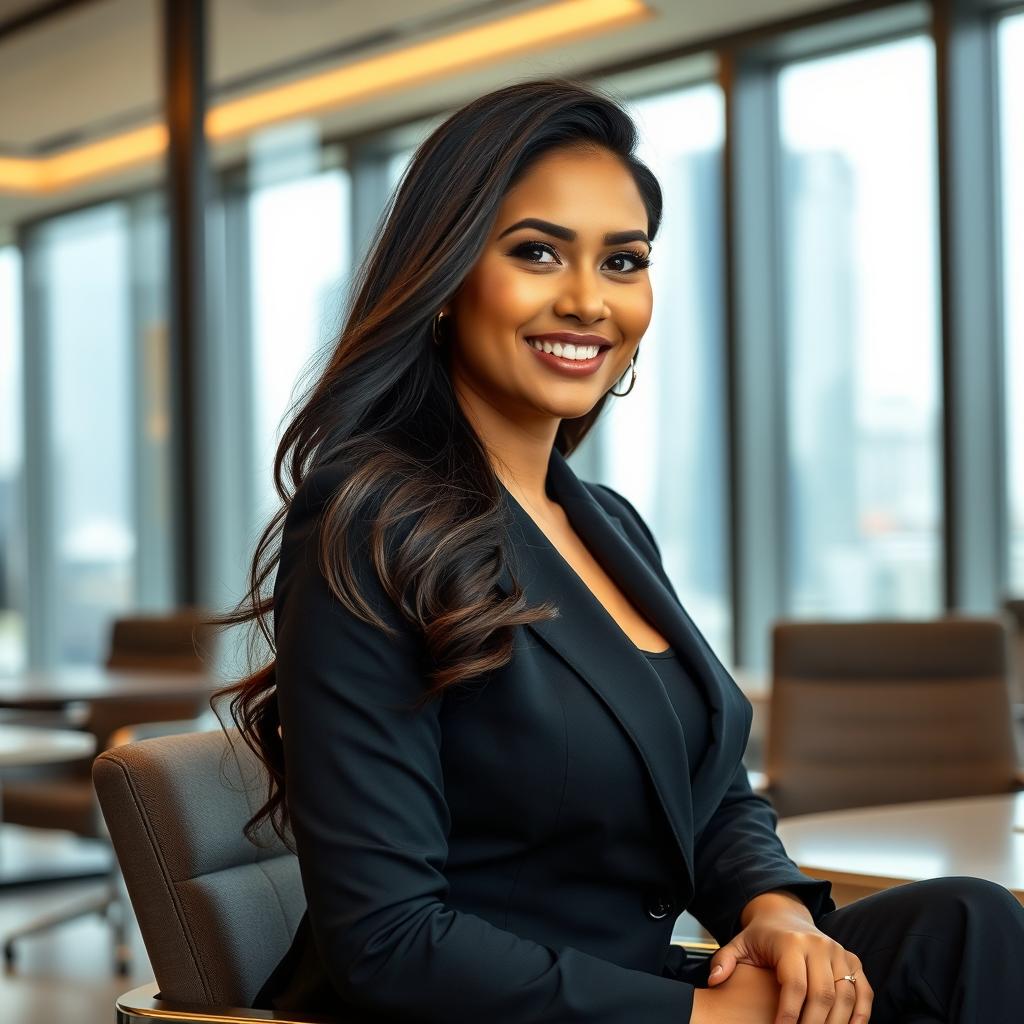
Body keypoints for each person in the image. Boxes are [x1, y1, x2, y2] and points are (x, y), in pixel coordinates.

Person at [216, 77, 1024, 1024]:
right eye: (536, 252)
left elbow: (711, 790)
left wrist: (771, 910)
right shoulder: (368, 523)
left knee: (969, 926)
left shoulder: (609, 523)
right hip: (494, 1006)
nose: (587, 301)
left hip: (638, 983)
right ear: (444, 281)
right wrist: (718, 1017)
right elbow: (389, 943)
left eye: (623, 262)